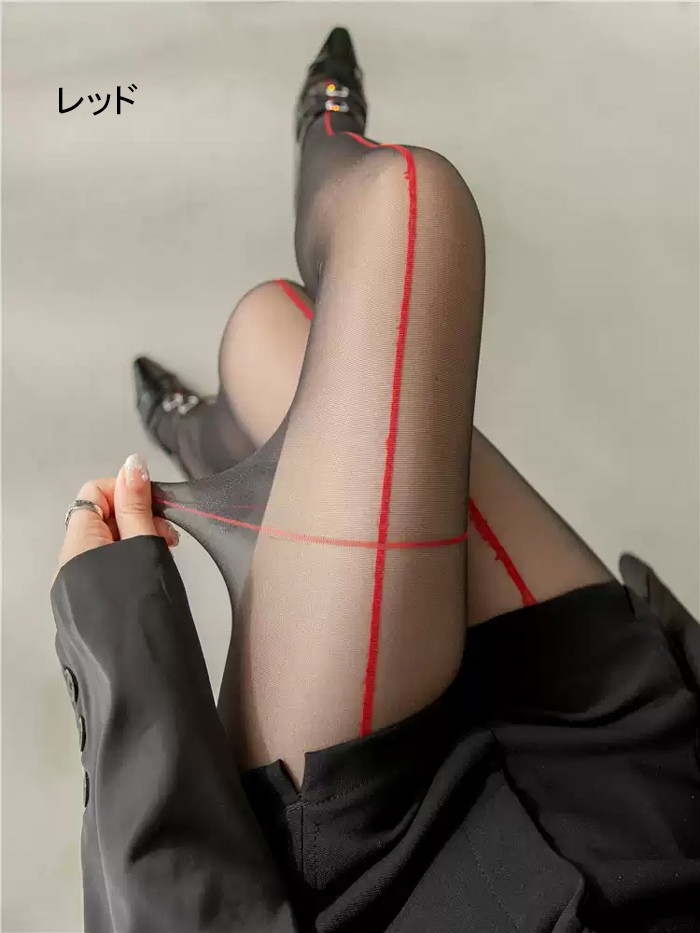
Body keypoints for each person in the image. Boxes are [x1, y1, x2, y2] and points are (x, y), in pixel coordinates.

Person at [51, 27, 700, 933]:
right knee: (301, 312)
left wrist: (118, 638)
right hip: (642, 797)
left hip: (387, 875)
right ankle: (220, 432)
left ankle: (222, 435)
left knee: (364, 246)